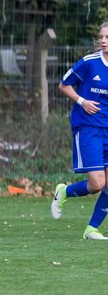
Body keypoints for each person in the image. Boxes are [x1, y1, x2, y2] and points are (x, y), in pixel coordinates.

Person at [51, 22, 108, 239]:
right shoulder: (89, 62)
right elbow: (64, 85)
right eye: (101, 36)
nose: (103, 41)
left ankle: (91, 229)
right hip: (89, 127)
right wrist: (82, 101)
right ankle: (64, 192)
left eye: (107, 37)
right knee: (97, 184)